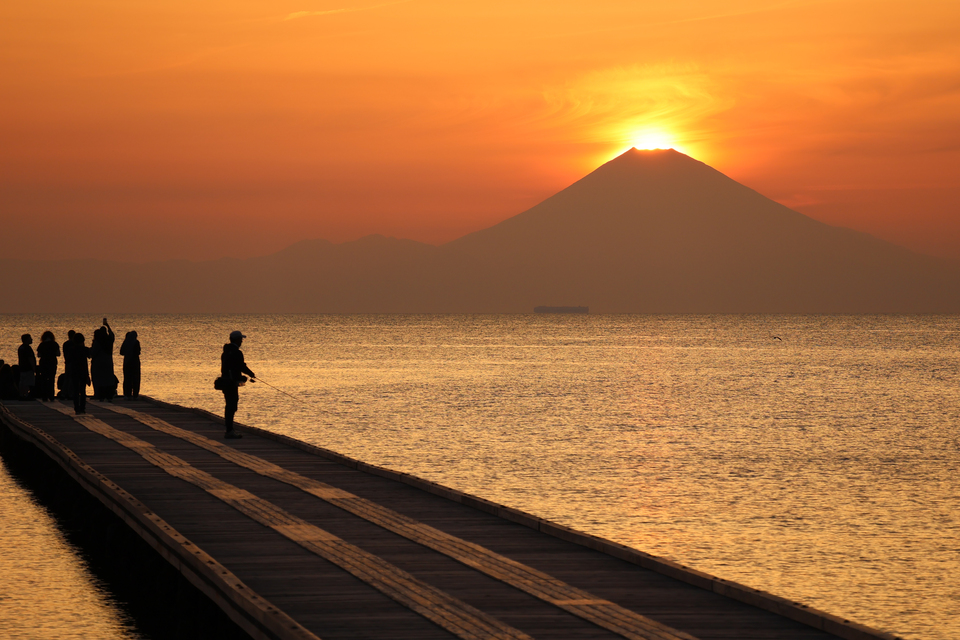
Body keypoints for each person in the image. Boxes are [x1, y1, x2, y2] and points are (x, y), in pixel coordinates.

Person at [220, 330, 256, 439]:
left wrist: (243, 376)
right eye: (241, 339)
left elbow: (230, 367)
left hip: (225, 381)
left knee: (229, 405)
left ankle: (229, 429)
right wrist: (250, 374)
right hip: (231, 383)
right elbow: (240, 366)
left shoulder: (226, 352)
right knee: (232, 406)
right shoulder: (237, 352)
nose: (242, 341)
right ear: (236, 340)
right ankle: (230, 430)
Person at [90, 319, 117, 401]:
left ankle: (99, 394)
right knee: (108, 379)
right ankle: (108, 395)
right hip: (108, 362)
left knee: (99, 379)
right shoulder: (109, 340)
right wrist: (107, 325)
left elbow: (93, 353)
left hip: (98, 364)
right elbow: (112, 334)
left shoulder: (98, 341)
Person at [67, 333, 91, 414]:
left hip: (74, 371)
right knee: (83, 390)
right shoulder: (85, 349)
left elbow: (68, 361)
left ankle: (76, 407)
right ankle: (82, 408)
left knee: (76, 390)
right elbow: (90, 355)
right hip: (83, 371)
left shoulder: (71, 349)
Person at [35, 331, 61, 401]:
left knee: (44, 380)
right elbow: (58, 354)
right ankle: (51, 396)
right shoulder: (55, 344)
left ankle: (44, 396)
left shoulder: (42, 345)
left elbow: (39, 355)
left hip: (43, 363)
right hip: (52, 363)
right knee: (51, 380)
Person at [119, 330, 141, 399]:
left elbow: (121, 352)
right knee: (135, 378)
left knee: (127, 378)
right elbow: (138, 352)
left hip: (127, 362)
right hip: (135, 362)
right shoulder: (136, 342)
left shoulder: (125, 342)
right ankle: (135, 395)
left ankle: (127, 394)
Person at [17, 334, 36, 398]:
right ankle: (27, 395)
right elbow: (30, 359)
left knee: (23, 382)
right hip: (28, 368)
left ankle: (22, 394)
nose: (31, 339)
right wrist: (34, 368)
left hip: (22, 368)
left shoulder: (21, 348)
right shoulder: (27, 348)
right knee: (29, 382)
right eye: (30, 338)